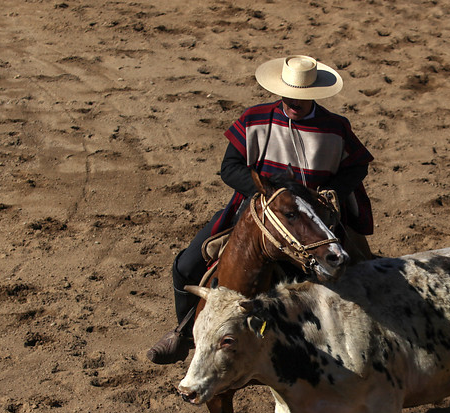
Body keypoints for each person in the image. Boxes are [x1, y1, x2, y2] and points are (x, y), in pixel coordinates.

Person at [147, 55, 375, 364]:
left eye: (302, 97)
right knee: (187, 266)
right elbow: (229, 168)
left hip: (311, 220)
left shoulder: (335, 128)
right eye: (290, 94)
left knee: (358, 272)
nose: (295, 101)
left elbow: (357, 165)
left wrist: (333, 191)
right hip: (258, 212)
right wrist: (268, 196)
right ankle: (185, 333)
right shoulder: (254, 119)